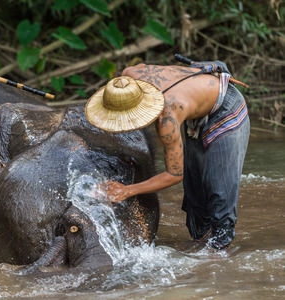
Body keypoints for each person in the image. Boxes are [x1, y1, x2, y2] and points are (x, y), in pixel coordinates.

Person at [85, 60, 250, 250]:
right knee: (195, 185)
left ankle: (219, 250)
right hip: (197, 106)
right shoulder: (129, 73)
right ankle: (202, 241)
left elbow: (174, 174)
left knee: (219, 187)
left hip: (225, 110)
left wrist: (127, 190)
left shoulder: (167, 119)